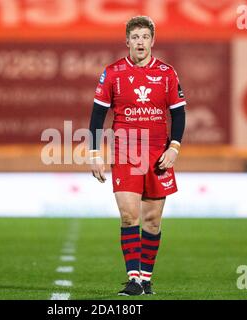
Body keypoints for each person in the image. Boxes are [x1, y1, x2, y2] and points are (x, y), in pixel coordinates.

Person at [88, 16, 186, 296]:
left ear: (152, 41)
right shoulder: (113, 72)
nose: (140, 42)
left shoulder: (167, 73)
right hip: (125, 151)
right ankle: (134, 280)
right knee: (129, 216)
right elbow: (98, 114)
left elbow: (178, 113)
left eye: (145, 37)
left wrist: (174, 147)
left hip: (158, 152)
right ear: (127, 41)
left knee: (153, 220)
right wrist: (95, 152)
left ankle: (145, 279)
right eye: (135, 37)